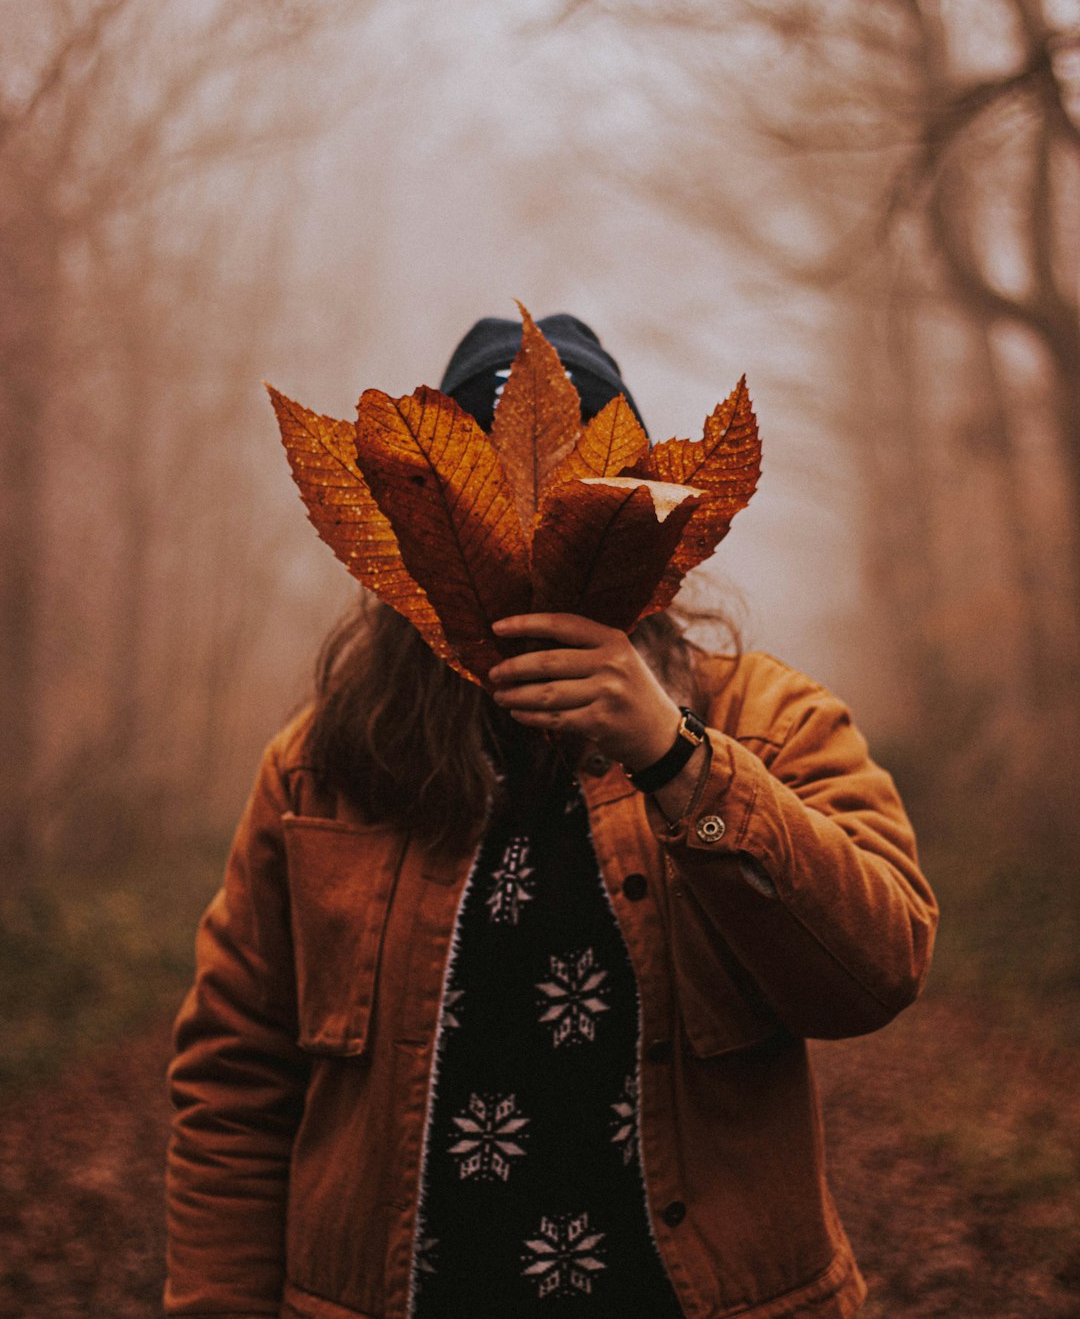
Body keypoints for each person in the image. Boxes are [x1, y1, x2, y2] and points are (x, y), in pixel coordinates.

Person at [165, 313, 938, 1319]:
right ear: (423, 536)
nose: (532, 558)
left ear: (648, 535)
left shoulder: (770, 722)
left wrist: (675, 757)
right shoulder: (325, 766)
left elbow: (874, 973)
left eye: (578, 523)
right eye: (490, 523)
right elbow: (235, 1079)